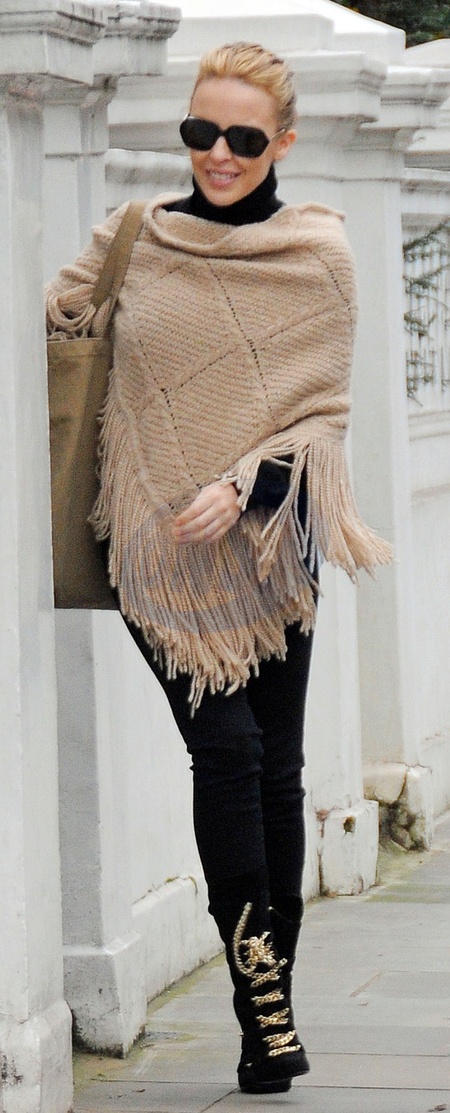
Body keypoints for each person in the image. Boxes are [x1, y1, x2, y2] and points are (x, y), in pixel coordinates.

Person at [46, 41, 391, 1094]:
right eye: (202, 132)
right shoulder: (134, 237)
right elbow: (56, 326)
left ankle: (265, 1006)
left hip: (273, 546)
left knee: (277, 771)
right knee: (229, 751)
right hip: (156, 549)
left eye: (244, 137)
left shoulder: (319, 254)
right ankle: (266, 1004)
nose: (220, 154)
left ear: (283, 142)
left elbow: (324, 419)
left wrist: (247, 484)